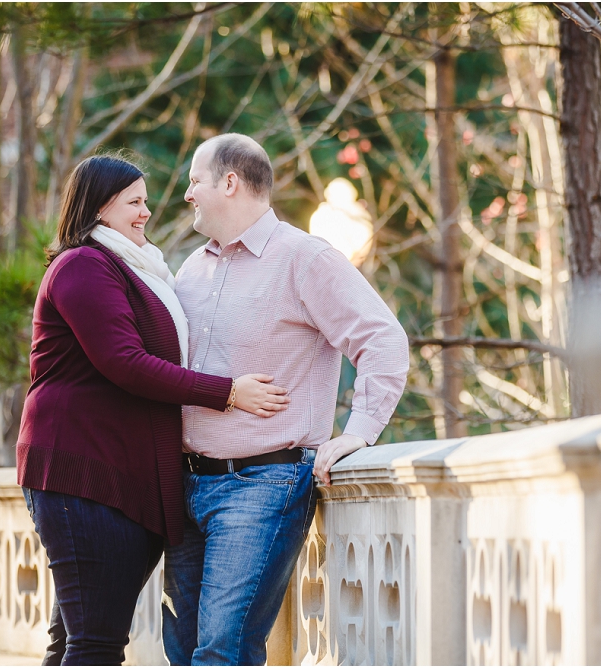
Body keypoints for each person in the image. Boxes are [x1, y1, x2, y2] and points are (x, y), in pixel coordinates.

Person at [17, 155, 290, 665]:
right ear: (99, 207)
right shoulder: (83, 266)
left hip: (116, 477)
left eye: (145, 201)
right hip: (84, 474)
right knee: (95, 645)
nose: (146, 212)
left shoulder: (130, 267)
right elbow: (125, 363)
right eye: (134, 202)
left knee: (77, 641)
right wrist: (227, 392)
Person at [162, 134, 409, 665]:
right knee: (180, 652)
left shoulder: (305, 258)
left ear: (229, 183)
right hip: (183, 487)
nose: (187, 195)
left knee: (222, 649)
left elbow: (383, 339)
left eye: (194, 182)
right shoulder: (191, 269)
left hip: (262, 484)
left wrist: (358, 432)